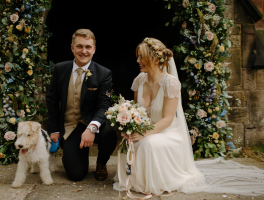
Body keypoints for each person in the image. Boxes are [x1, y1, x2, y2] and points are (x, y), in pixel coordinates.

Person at [113, 37, 264, 197]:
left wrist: (144, 134)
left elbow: (167, 119)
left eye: (141, 57)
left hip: (167, 131)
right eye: (138, 56)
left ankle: (154, 183)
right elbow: (138, 113)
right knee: (128, 141)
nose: (138, 60)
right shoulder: (139, 81)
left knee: (148, 144)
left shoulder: (170, 83)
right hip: (147, 128)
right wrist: (131, 128)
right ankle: (134, 180)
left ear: (156, 59)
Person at [46, 29, 117, 181]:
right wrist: (54, 129)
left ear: (94, 50)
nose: (83, 51)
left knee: (110, 131)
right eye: (79, 46)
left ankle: (101, 163)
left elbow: (104, 105)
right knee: (76, 175)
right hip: (71, 125)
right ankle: (72, 154)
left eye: (88, 47)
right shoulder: (60, 69)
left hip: (93, 123)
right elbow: (52, 99)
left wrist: (92, 127)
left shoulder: (104, 73)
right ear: (72, 48)